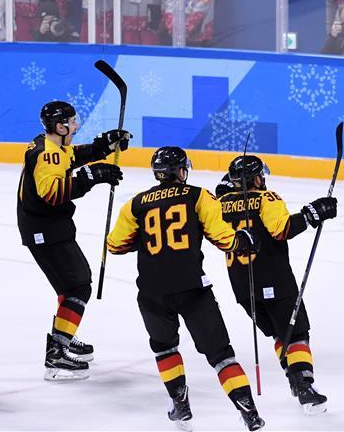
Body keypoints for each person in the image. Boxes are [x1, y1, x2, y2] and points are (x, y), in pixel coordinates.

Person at [107, 147, 265, 431]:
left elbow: (114, 245)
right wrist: (244, 239)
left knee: (165, 349)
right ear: (181, 171)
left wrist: (141, 239)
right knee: (221, 355)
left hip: (153, 293)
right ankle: (248, 410)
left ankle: (181, 405)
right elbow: (223, 239)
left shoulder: (135, 204)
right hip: (192, 288)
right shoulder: (197, 194)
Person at [16, 100, 129, 381]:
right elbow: (53, 194)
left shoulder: (51, 146)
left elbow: (72, 157)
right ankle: (56, 355)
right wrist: (92, 177)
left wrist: (102, 147)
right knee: (78, 285)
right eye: (72, 121)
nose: (76, 125)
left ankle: (63, 337)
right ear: (59, 126)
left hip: (48, 227)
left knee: (70, 285)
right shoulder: (47, 154)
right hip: (45, 229)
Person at [218, 155, 336, 414]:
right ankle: (304, 385)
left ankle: (293, 378)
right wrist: (312, 213)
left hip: (241, 286)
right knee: (296, 332)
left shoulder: (220, 203)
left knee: (278, 333)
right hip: (274, 279)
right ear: (255, 178)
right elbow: (283, 229)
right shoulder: (266, 198)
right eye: (260, 175)